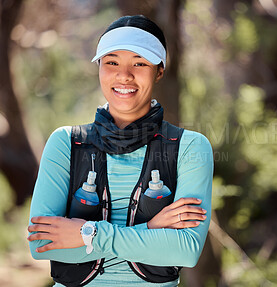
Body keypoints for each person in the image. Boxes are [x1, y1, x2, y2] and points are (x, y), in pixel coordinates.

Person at [27, 15, 213, 287]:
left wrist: (86, 234)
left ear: (159, 70)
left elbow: (185, 250)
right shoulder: (65, 143)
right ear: (99, 67)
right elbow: (42, 243)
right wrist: (151, 230)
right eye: (111, 62)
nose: (124, 75)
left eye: (139, 63)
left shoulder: (189, 147)